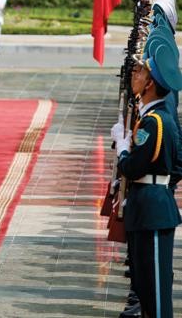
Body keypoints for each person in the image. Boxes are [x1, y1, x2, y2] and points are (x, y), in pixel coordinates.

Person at [111, 38, 182, 318]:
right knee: (144, 285)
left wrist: (125, 151)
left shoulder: (155, 122)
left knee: (155, 290)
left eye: (139, 72)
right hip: (148, 205)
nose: (134, 76)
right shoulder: (154, 117)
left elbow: (132, 167)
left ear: (151, 82)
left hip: (152, 209)